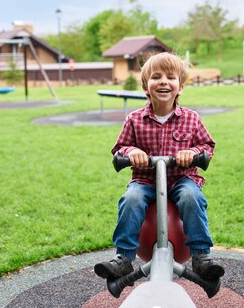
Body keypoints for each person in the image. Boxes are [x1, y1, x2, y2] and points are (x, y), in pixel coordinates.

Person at [94, 52, 224, 281]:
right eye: (156, 77)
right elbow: (120, 148)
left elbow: (207, 146)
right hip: (145, 181)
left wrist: (192, 153)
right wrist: (132, 152)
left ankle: (201, 257)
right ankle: (124, 258)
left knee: (191, 197)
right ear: (146, 87)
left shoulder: (192, 119)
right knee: (131, 199)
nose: (164, 81)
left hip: (182, 178)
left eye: (171, 77)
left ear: (180, 87)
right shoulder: (134, 119)